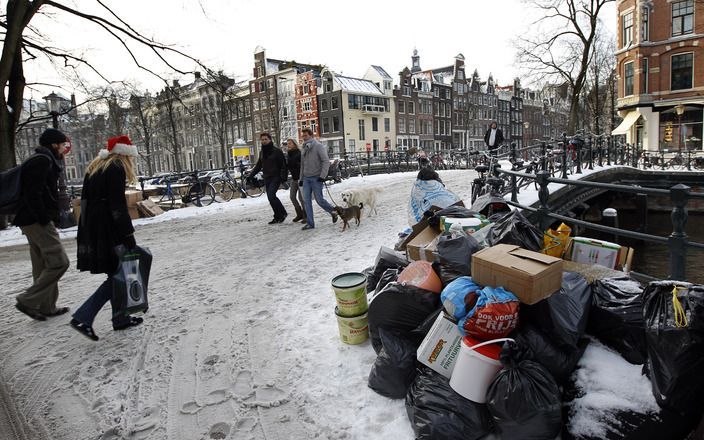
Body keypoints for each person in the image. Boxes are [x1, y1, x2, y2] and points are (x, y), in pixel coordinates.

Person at [70, 135, 143, 341]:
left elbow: (85, 202)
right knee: (117, 275)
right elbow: (117, 206)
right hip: (108, 228)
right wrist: (127, 234)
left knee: (116, 272)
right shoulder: (116, 168)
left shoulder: (96, 167)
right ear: (125, 154)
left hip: (94, 227)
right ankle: (84, 316)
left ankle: (120, 319)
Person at [12, 128, 71, 321]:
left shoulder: (39, 159)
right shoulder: (43, 161)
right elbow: (33, 193)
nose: (64, 148)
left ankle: (47, 307)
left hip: (28, 220)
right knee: (59, 262)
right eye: (63, 144)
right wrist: (45, 218)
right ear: (54, 145)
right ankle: (27, 300)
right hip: (36, 220)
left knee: (42, 263)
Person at [298, 128, 337, 230]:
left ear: (311, 135)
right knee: (306, 201)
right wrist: (301, 178)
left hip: (316, 178)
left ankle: (333, 211)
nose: (304, 137)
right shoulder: (304, 148)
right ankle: (310, 223)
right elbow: (302, 164)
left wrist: (322, 176)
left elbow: (325, 161)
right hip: (306, 178)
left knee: (319, 200)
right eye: (303, 136)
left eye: (306, 136)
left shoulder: (318, 146)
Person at [249, 133, 288, 224]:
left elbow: (283, 165)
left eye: (266, 139)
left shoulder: (277, 151)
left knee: (271, 195)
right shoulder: (262, 152)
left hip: (276, 177)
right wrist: (251, 175)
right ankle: (277, 216)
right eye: (262, 140)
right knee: (270, 198)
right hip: (267, 177)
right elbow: (259, 165)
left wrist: (283, 178)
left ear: (270, 140)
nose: (264, 141)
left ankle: (283, 213)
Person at [285, 138, 306, 223]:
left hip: (300, 178)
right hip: (294, 179)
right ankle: (299, 214)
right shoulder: (288, 154)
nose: (288, 145)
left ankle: (306, 216)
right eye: (287, 144)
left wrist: (295, 165)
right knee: (292, 197)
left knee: (301, 198)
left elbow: (302, 165)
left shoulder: (299, 153)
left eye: (290, 143)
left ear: (294, 144)